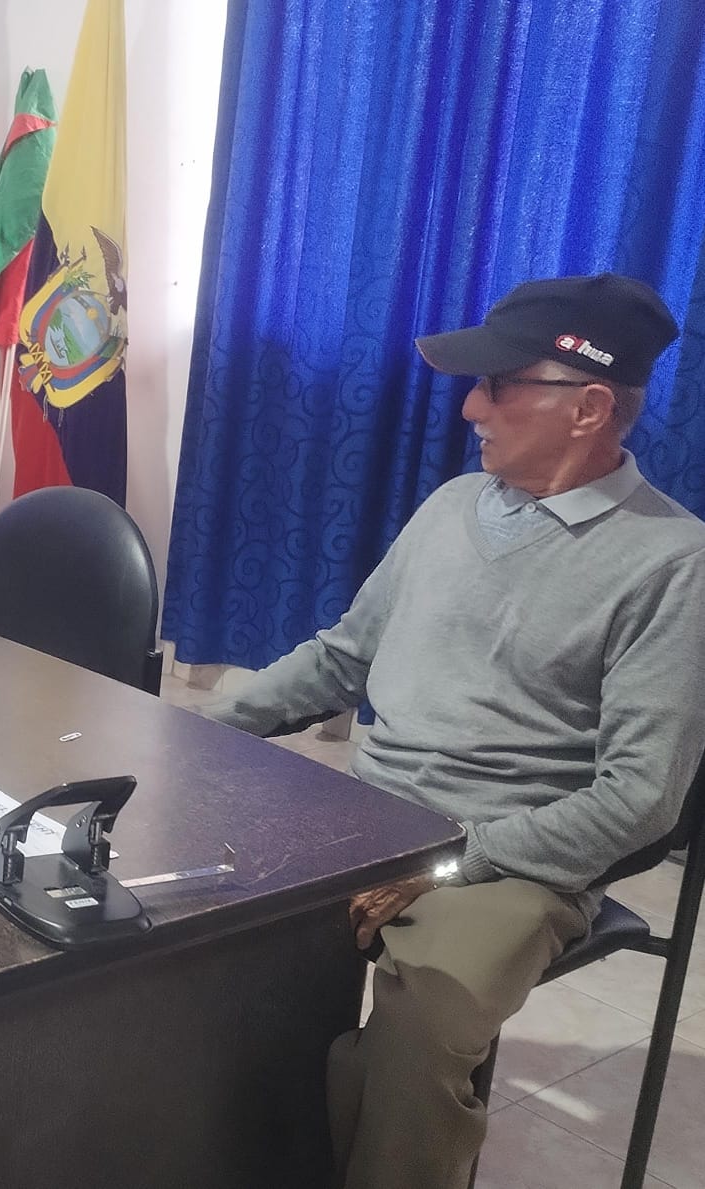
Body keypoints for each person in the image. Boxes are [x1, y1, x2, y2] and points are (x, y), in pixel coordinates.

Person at [207, 274, 705, 1189]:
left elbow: (641, 798)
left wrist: (450, 861)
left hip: (511, 856)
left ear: (590, 407)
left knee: (425, 1019)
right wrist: (193, 728)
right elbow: (342, 657)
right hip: (367, 816)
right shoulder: (452, 506)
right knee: (194, 933)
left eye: (500, 386)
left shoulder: (674, 563)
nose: (472, 407)